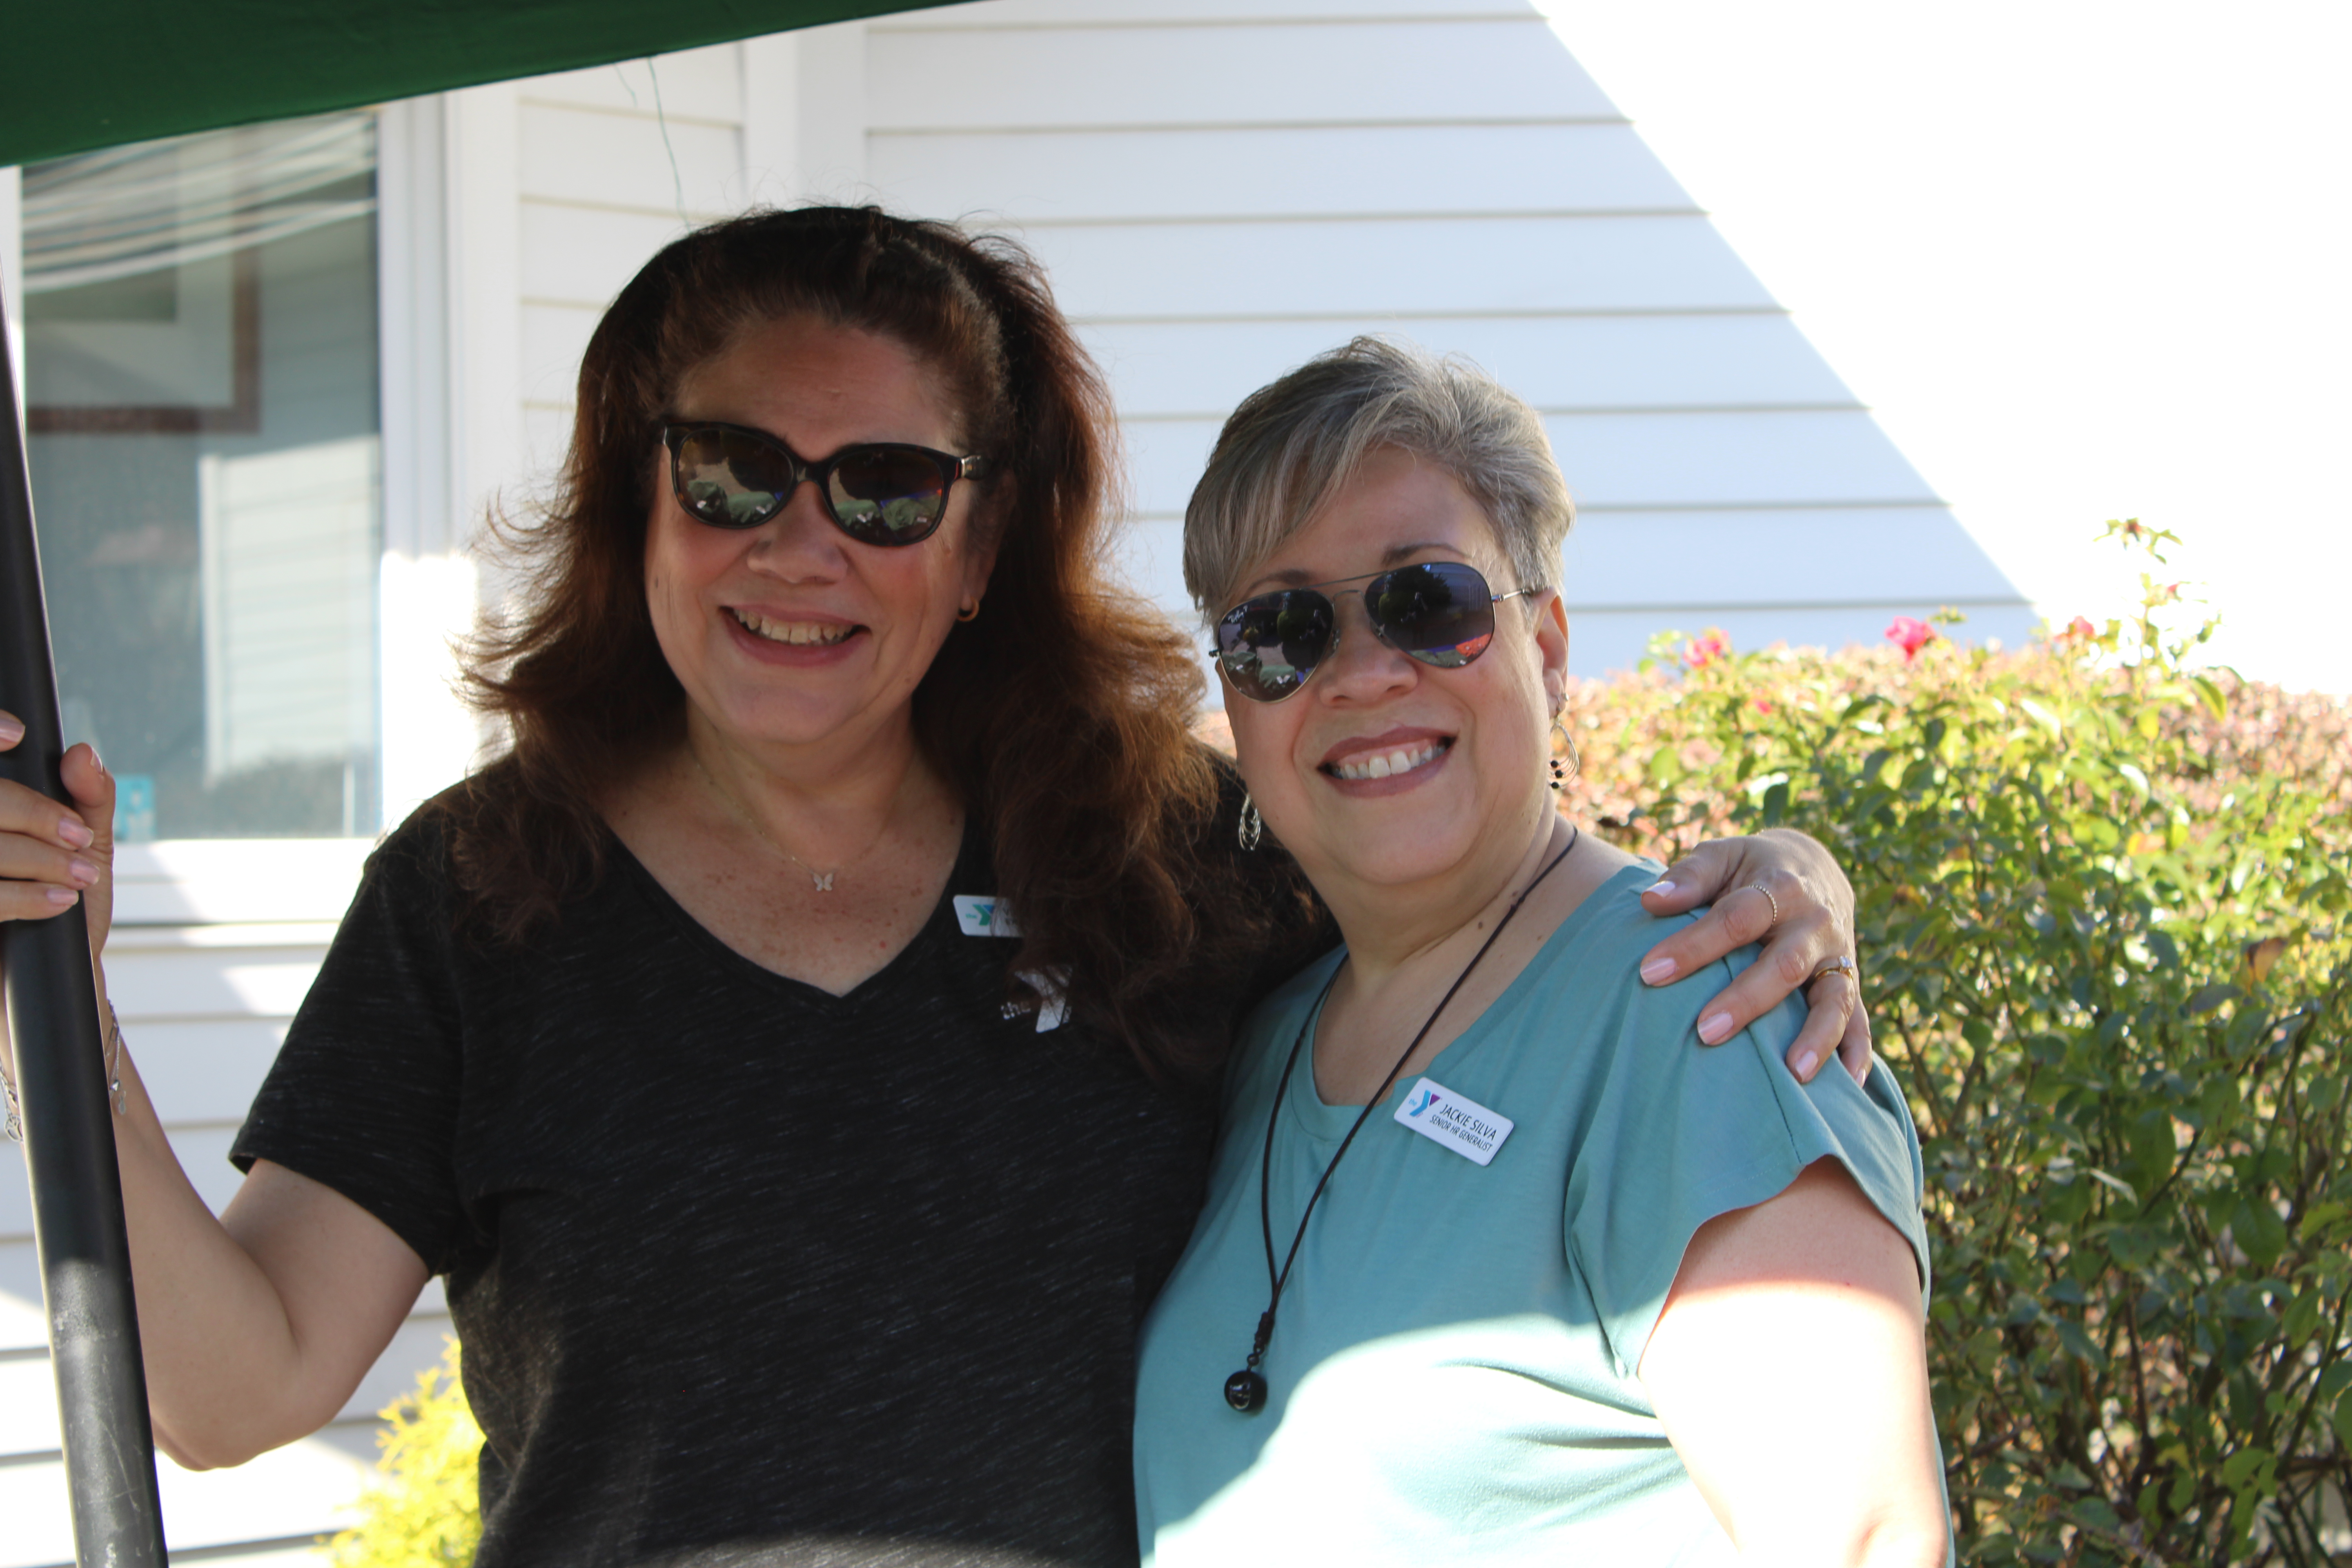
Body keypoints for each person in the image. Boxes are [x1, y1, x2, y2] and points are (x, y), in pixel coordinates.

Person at [0, 209, 1872, 1568]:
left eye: (886, 488)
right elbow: (231, 1390)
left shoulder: (1163, 854)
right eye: (734, 472)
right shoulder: (486, 895)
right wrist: (58, 1013)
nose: (801, 546)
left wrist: (1781, 882)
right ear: (637, 505)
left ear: (979, 547)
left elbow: (1460, 894)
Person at [1133, 338, 1949, 1566]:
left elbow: (1862, 1542)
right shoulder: (1270, 1033)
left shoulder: (1704, 1018)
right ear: (1237, 704)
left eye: (1427, 601)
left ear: (1550, 647)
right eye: (1281, 632)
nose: (1360, 675)